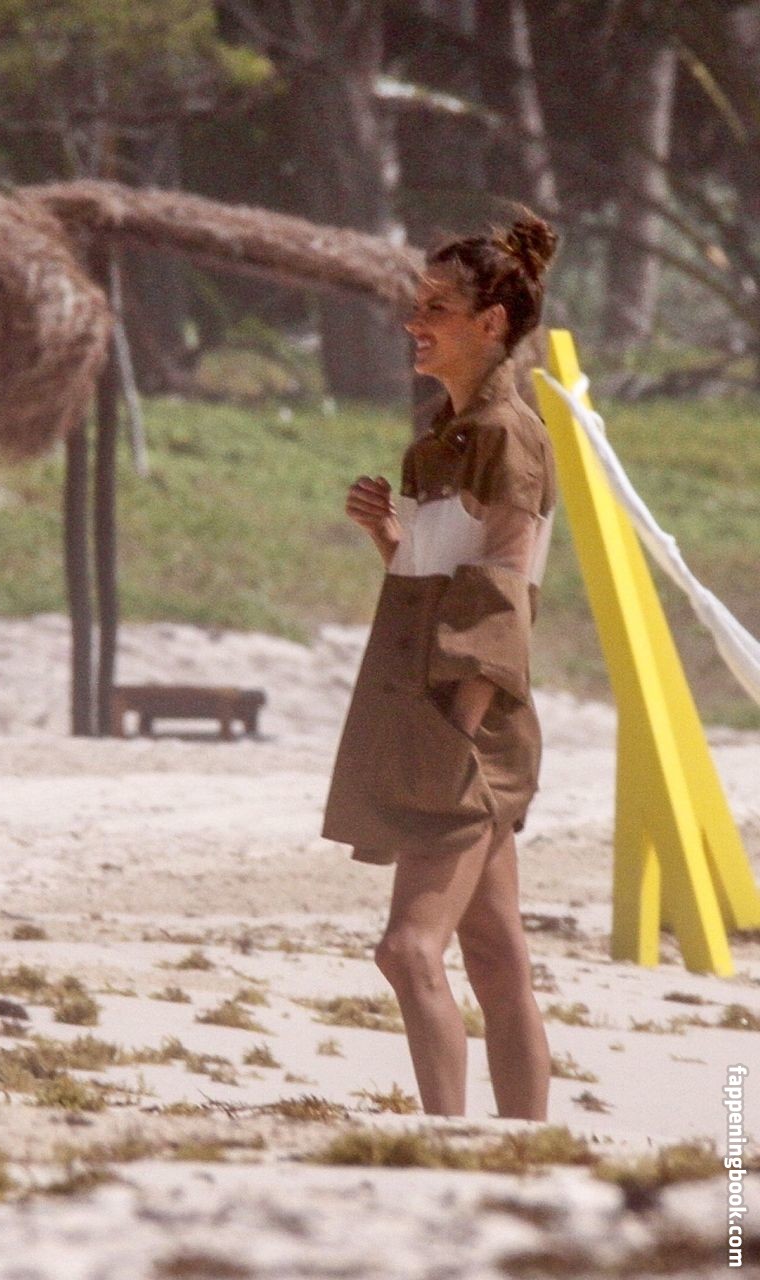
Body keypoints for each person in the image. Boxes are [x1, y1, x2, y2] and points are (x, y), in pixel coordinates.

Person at [322, 211, 560, 1120]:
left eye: (436, 308)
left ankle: (448, 1145)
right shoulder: (440, 440)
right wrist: (389, 536)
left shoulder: (506, 433)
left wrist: (454, 731)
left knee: (408, 949)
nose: (413, 322)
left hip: (467, 722)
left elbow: (504, 592)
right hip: (434, 708)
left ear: (491, 322)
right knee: (496, 960)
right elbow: (438, 583)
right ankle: (526, 1154)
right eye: (417, 304)